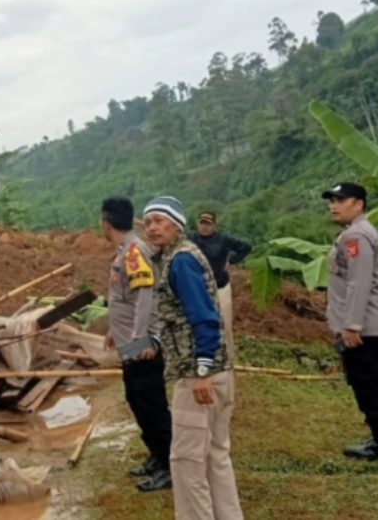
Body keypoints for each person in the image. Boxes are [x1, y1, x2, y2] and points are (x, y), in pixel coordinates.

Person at [143, 196, 243, 520]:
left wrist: (202, 371)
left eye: (160, 221)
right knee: (216, 455)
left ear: (177, 226)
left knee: (187, 462)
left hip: (198, 376)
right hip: (218, 370)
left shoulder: (181, 261)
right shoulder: (181, 256)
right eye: (148, 222)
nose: (152, 227)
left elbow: (204, 318)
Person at [322, 183, 378, 461]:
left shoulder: (356, 236)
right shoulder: (358, 232)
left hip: (365, 326)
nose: (333, 205)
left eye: (340, 200)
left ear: (358, 204)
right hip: (375, 323)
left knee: (369, 382)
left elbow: (359, 283)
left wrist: (351, 325)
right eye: (332, 200)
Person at [100, 197, 173, 492]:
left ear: (106, 224)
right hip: (131, 342)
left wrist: (139, 336)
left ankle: (168, 465)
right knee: (136, 399)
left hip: (142, 344)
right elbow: (126, 297)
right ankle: (156, 454)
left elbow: (145, 295)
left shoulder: (133, 251)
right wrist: (113, 329)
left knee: (151, 403)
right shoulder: (125, 251)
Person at [188, 211, 252, 357]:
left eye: (208, 224)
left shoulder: (223, 240)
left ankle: (227, 355)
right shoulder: (191, 238)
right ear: (198, 224)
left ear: (214, 226)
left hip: (220, 286)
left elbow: (246, 247)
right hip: (198, 287)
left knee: (223, 322)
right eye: (202, 223)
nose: (204, 227)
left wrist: (233, 260)